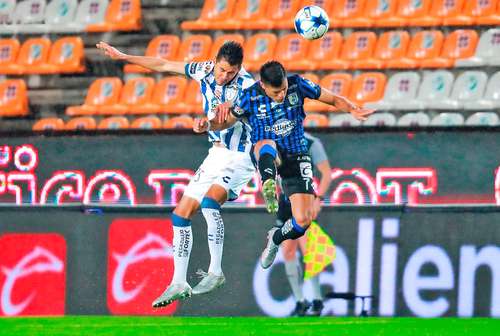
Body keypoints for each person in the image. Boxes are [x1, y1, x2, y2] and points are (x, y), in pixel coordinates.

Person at [96, 41, 256, 307]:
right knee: (180, 214)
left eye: (231, 72)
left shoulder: (247, 87)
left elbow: (229, 120)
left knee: (209, 203)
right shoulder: (204, 70)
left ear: (240, 69)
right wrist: (125, 56)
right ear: (215, 61)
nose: (225, 76)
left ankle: (215, 272)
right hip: (216, 153)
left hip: (241, 155)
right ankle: (179, 282)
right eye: (222, 70)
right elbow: (164, 64)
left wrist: (208, 122)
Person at [203, 61, 374, 270]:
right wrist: (208, 124)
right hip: (266, 151)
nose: (282, 95)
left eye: (283, 89)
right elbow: (227, 121)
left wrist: (352, 109)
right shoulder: (249, 96)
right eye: (276, 92)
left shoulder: (298, 84)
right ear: (263, 86)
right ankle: (269, 183)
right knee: (266, 144)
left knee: (303, 220)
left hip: (297, 154)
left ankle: (275, 238)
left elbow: (333, 98)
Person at [277, 132, 331, 317]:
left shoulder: (310, 142)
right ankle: (300, 301)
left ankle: (317, 299)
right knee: (288, 251)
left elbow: (326, 173)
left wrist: (319, 199)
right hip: (285, 203)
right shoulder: (274, 141)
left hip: (304, 199)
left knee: (308, 249)